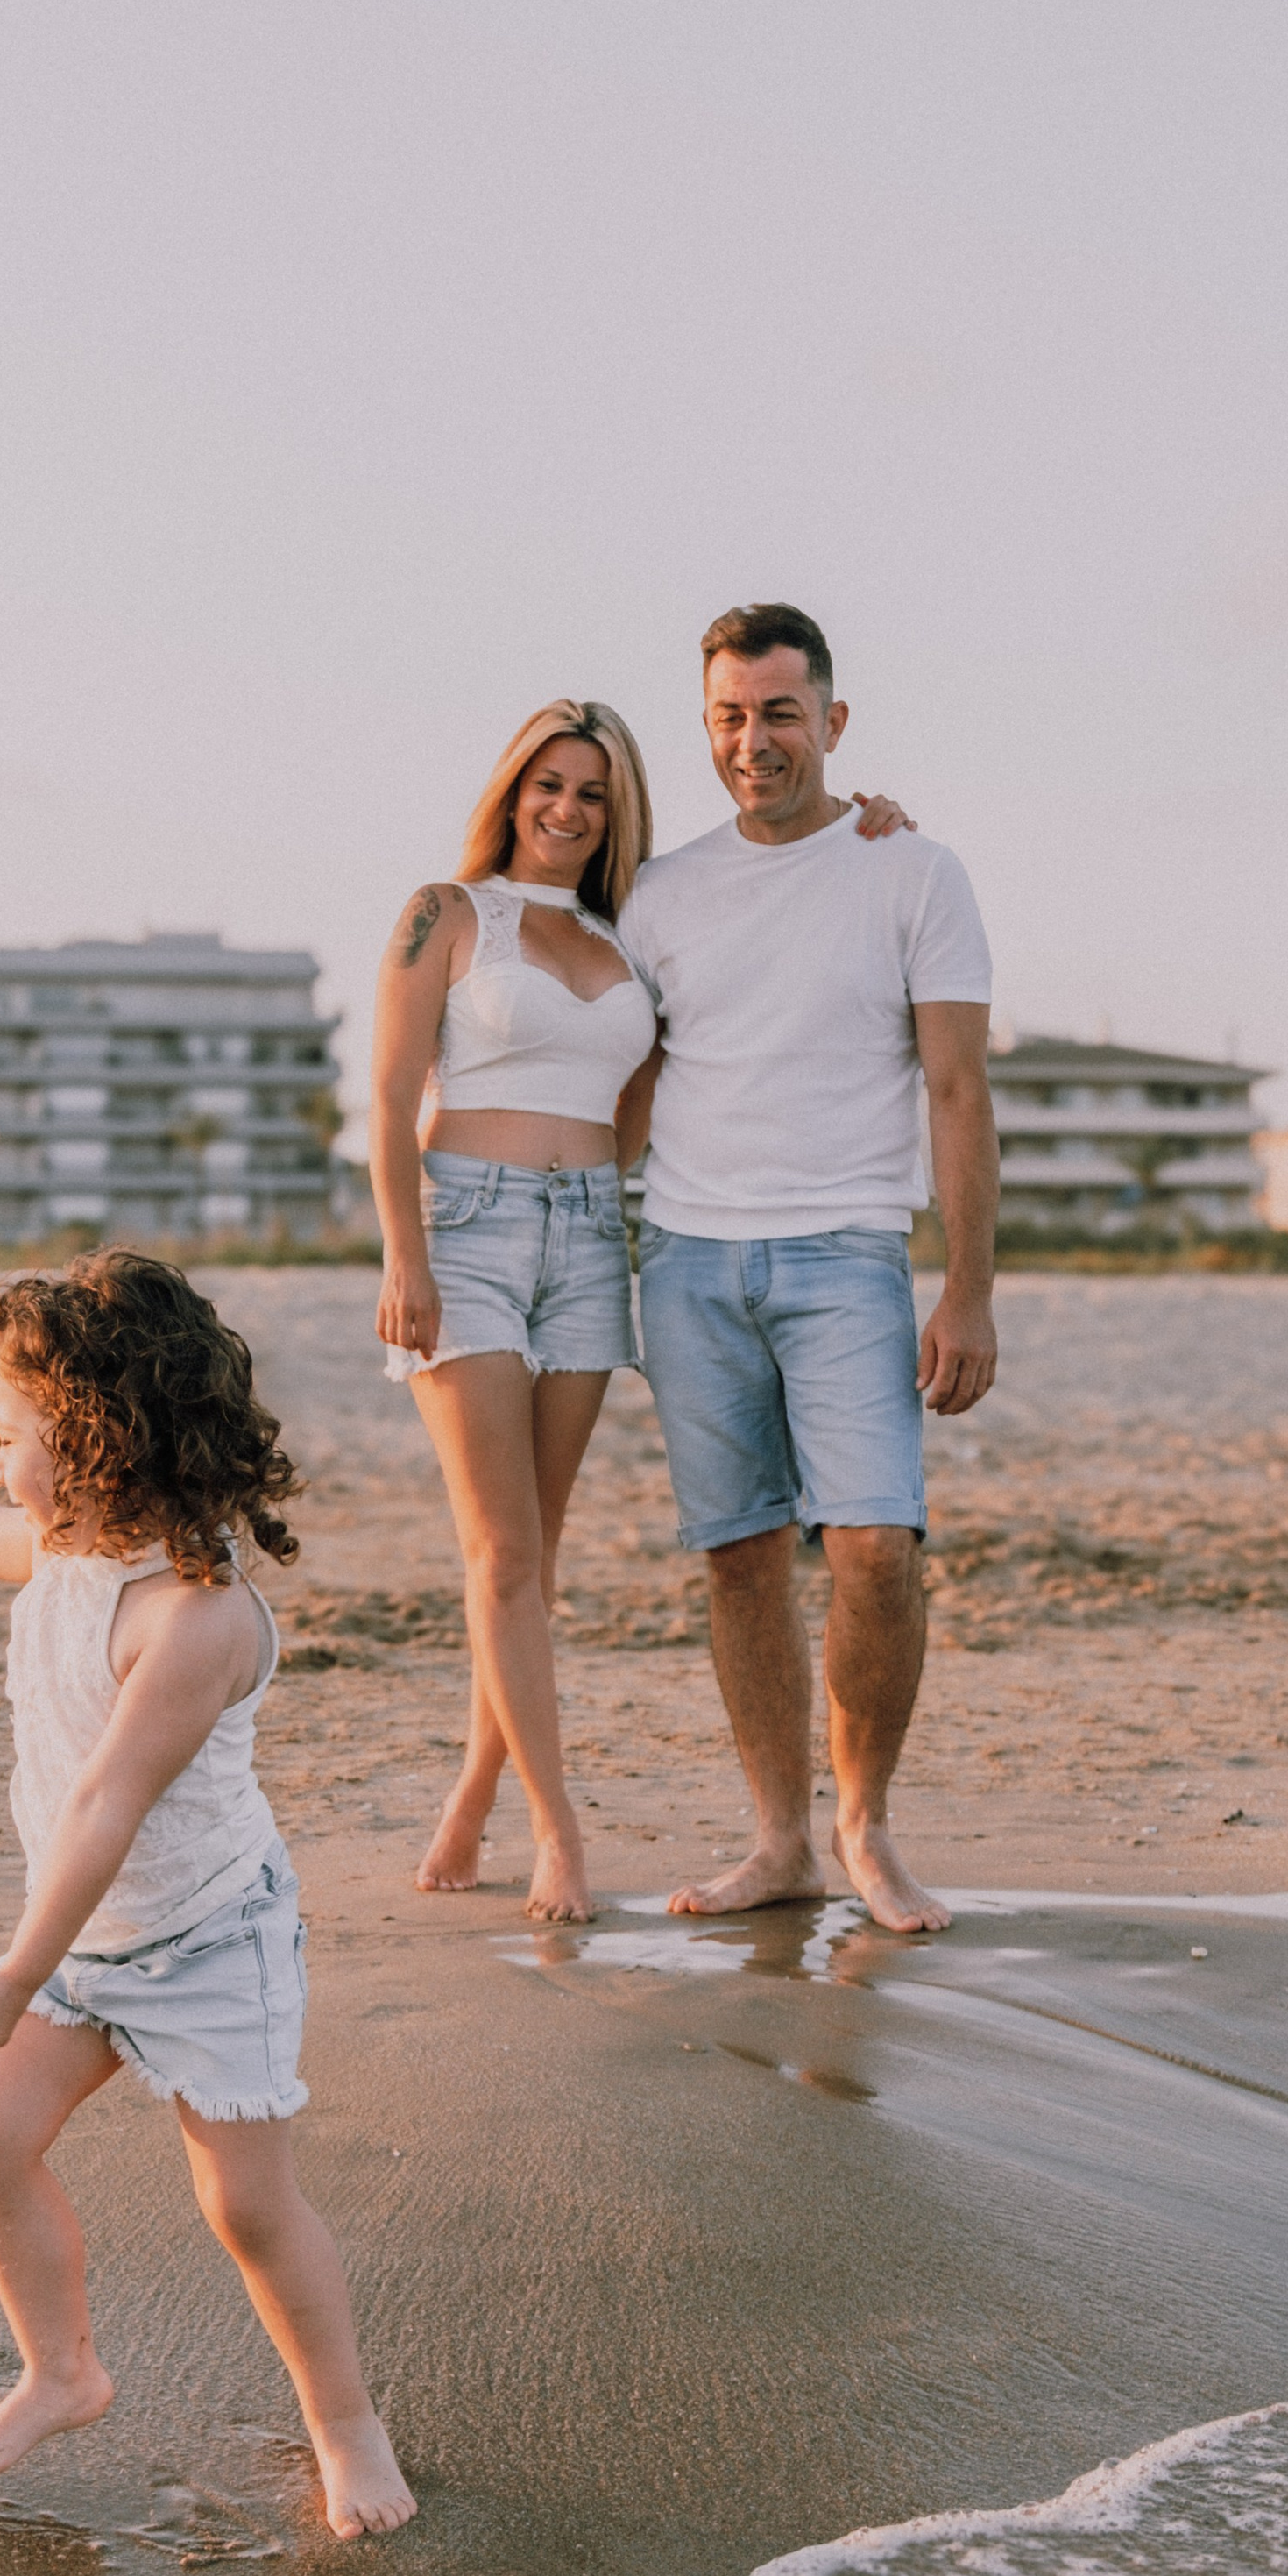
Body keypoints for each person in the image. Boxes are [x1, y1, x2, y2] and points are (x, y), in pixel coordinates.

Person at [0, 1251, 415, 2541]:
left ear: (101, 1442)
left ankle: (346, 2425)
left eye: (11, 1438)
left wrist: (15, 1969)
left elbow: (105, 1811)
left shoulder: (193, 1619)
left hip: (206, 1938)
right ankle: (63, 2373)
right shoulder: (60, 1543)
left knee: (245, 2204)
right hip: (87, 1938)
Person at [370, 699, 916, 1924]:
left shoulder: (635, 932)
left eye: (594, 793)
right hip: (469, 1232)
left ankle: (469, 1793)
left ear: (620, 813)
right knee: (501, 1556)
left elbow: (657, 1080)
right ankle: (556, 1833)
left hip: (594, 1235)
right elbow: (393, 1090)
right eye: (547, 785)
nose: (565, 810)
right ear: (512, 790)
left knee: (531, 1563)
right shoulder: (445, 914)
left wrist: (869, 821)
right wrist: (406, 1256)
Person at [614, 602, 999, 1938]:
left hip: (849, 1257)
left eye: (781, 713)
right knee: (738, 1557)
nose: (753, 740)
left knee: (878, 1547)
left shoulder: (913, 870)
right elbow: (616, 1063)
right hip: (686, 1259)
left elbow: (958, 1089)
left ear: (832, 723)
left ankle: (867, 1831)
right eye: (729, 714)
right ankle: (779, 1841)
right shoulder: (660, 891)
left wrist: (968, 1288)